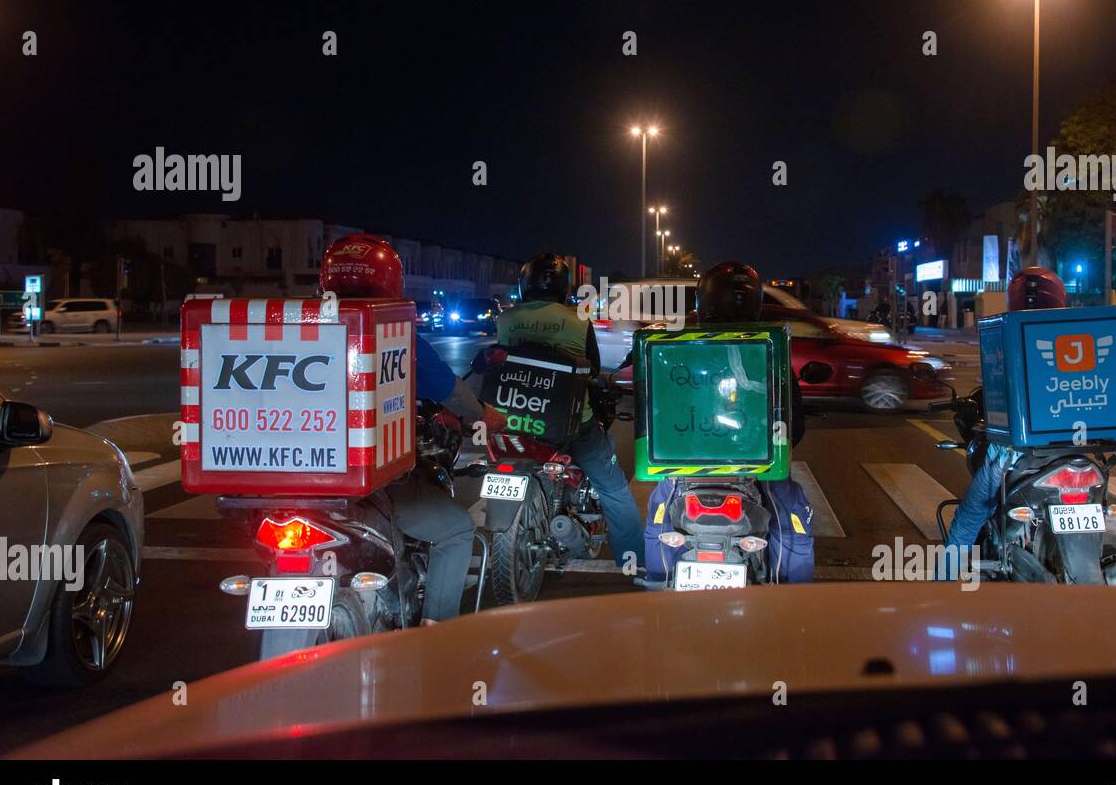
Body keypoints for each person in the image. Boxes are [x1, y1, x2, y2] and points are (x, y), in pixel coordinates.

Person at [320, 233, 503, 623]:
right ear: (391, 281)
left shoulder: (298, 328)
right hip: (368, 486)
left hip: (296, 486)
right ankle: (433, 640)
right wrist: (484, 415)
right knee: (455, 531)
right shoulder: (393, 333)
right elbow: (451, 393)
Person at [643, 261, 815, 584]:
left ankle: (656, 582)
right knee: (790, 513)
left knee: (659, 511)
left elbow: (661, 410)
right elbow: (795, 428)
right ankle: (796, 601)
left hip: (685, 467)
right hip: (755, 469)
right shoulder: (770, 349)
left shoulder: (675, 347)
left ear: (704, 300)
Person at [493, 253, 646, 569]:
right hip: (572, 424)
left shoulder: (505, 321)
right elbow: (590, 368)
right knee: (614, 489)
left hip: (516, 419)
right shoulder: (578, 321)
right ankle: (634, 565)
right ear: (564, 287)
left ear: (524, 285)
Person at [937, 266, 1068, 579]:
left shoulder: (1009, 336)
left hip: (1013, 456)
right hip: (1073, 453)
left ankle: (938, 592)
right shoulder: (1075, 333)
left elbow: (994, 391)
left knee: (969, 517)